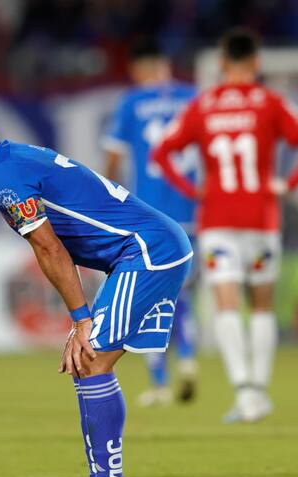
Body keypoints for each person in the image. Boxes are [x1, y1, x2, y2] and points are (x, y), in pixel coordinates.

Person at [0, 119, 192, 477]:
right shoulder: (10, 161)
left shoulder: (3, 175)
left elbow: (50, 250)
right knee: (91, 363)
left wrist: (80, 320)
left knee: (90, 360)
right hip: (148, 248)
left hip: (146, 251)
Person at [151, 28, 298, 423]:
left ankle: (244, 393)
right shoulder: (270, 102)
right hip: (261, 220)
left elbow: (161, 152)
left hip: (217, 221)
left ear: (221, 63)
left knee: (226, 303)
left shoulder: (204, 105)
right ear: (256, 62)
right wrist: (288, 185)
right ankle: (259, 393)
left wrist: (192, 190)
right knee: (261, 306)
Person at [103, 37, 198, 406]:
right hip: (192, 209)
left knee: (148, 294)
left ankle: (159, 383)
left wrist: (108, 200)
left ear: (139, 69)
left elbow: (114, 156)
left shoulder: (132, 102)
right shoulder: (193, 98)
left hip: (151, 214)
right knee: (182, 292)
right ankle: (187, 357)